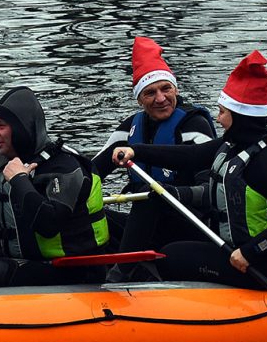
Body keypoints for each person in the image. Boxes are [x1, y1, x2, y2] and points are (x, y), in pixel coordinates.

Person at [112, 50, 267, 289]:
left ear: (240, 116)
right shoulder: (236, 144)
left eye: (222, 112)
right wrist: (137, 151)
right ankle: (124, 278)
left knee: (172, 258)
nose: (218, 120)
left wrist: (250, 252)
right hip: (242, 249)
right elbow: (192, 156)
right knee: (164, 227)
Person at [0, 85, 111, 287]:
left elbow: (49, 225)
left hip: (76, 270)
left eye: (0, 125)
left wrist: (19, 180)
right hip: (29, 261)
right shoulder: (5, 163)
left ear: (21, 127)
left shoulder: (66, 167)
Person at [92, 36, 216, 254]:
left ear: (175, 89)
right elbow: (90, 173)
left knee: (150, 196)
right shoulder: (129, 128)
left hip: (192, 223)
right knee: (92, 216)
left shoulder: (195, 125)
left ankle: (122, 274)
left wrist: (169, 193)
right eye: (150, 93)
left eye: (166, 89)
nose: (161, 98)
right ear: (139, 99)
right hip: (147, 223)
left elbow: (210, 190)